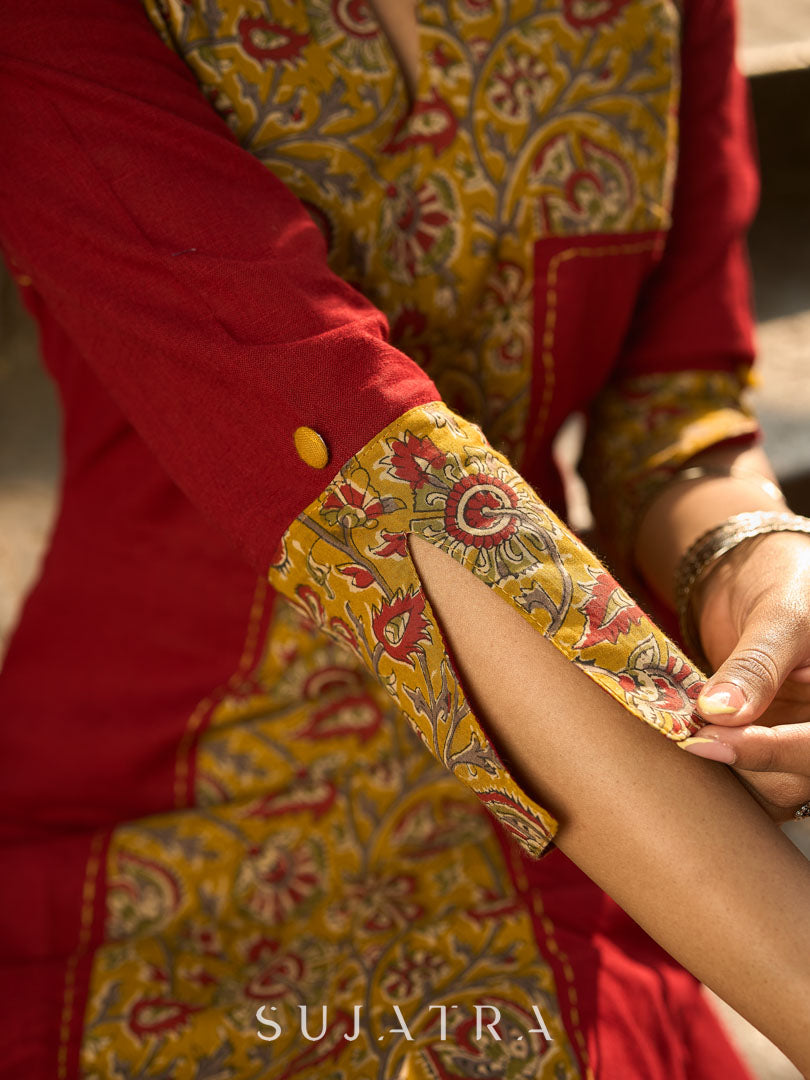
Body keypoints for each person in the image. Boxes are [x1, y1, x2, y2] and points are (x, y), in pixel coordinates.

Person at [1, 0, 810, 1077]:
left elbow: (672, 408)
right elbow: (360, 456)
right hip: (166, 800)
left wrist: (752, 562)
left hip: (582, 785)